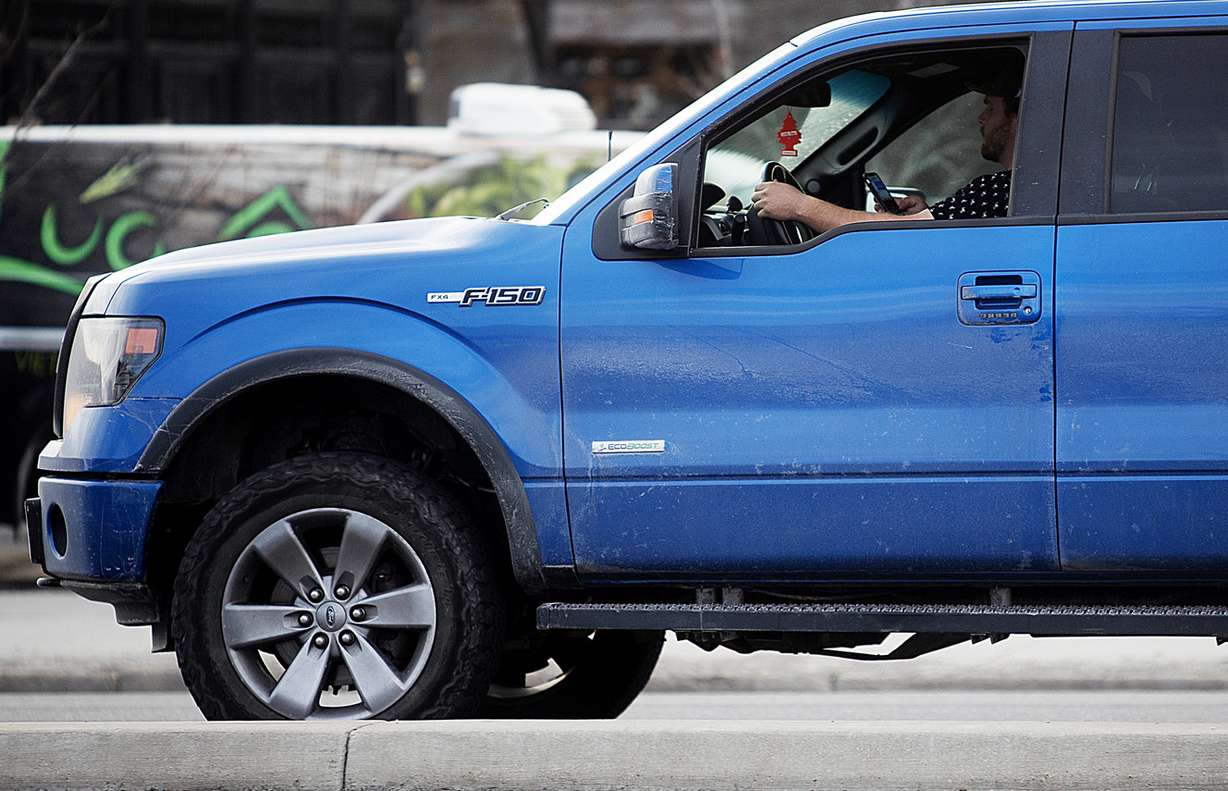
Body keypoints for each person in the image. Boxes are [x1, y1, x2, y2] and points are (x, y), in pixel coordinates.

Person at [750, 70, 1022, 234]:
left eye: (990, 108)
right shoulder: (1016, 192)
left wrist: (799, 206)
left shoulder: (1002, 189)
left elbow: (909, 234)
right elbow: (925, 230)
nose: (981, 118)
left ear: (1017, 118)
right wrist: (929, 215)